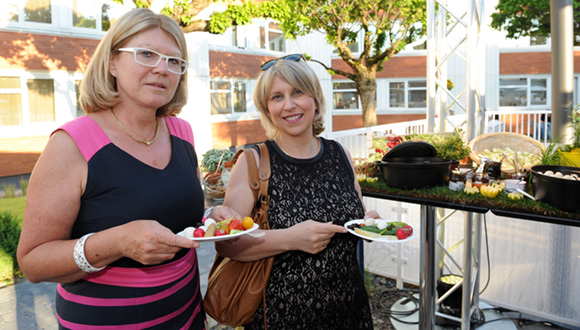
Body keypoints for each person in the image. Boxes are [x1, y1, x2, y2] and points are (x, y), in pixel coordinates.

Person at [16, 8, 234, 329]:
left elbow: (172, 215)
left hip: (185, 314)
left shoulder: (182, 132)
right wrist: (116, 243)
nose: (162, 69)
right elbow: (33, 263)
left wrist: (208, 219)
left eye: (174, 61)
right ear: (112, 62)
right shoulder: (71, 144)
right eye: (146, 54)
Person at [217, 54, 380, 329]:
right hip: (282, 317)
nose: (289, 105)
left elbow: (355, 218)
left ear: (315, 100)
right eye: (276, 97)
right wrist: (291, 238)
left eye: (297, 92)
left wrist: (368, 224)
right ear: (267, 109)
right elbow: (226, 244)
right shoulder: (253, 161)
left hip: (349, 311)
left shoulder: (340, 155)